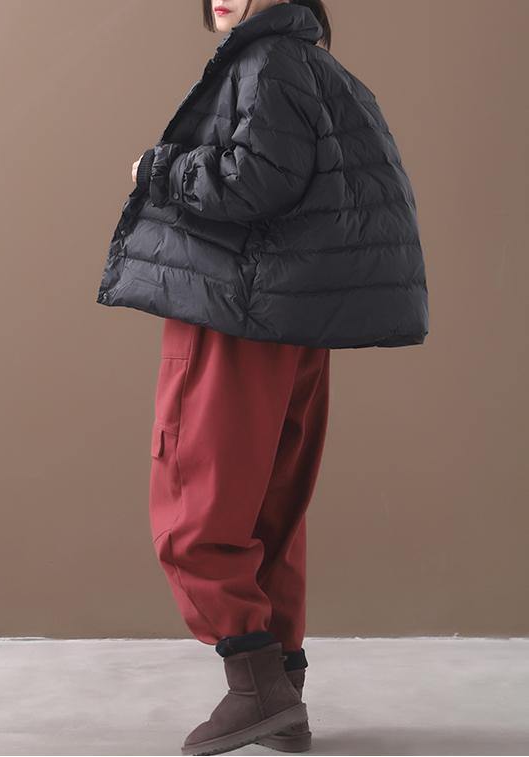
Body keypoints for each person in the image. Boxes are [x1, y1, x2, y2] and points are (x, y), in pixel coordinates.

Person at [96, 0, 429, 753]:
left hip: (234, 308)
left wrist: (157, 169)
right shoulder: (312, 64)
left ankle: (255, 689)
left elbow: (251, 184)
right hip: (290, 321)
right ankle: (283, 692)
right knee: (270, 509)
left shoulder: (266, 61)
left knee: (197, 503)